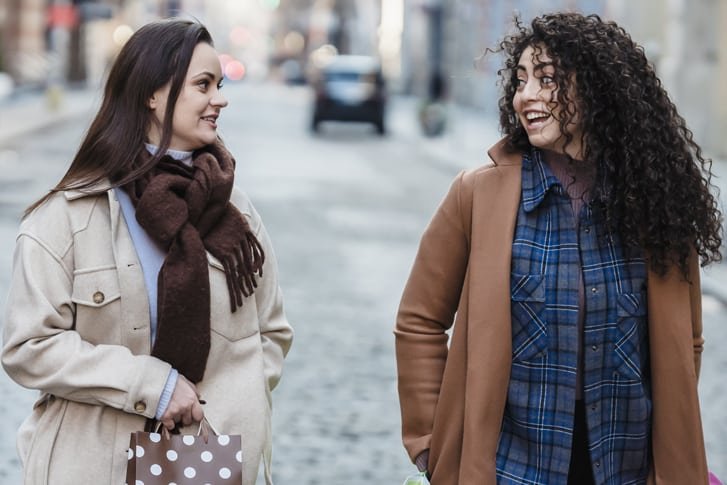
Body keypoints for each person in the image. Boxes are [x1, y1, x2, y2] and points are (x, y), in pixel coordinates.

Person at [395, 12, 722, 485]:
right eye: (522, 79)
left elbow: (684, 341)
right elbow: (419, 321)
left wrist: (665, 458)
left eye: (547, 79)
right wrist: (431, 446)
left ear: (598, 91)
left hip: (624, 469)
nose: (524, 95)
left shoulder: (655, 201)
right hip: (511, 470)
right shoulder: (477, 195)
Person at [1, 18, 293, 484]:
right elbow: (29, 346)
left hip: (206, 458)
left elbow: (271, 333)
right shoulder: (70, 215)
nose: (220, 98)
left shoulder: (235, 211)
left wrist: (227, 411)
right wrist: (150, 387)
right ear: (151, 96)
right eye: (203, 84)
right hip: (94, 462)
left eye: (218, 84)